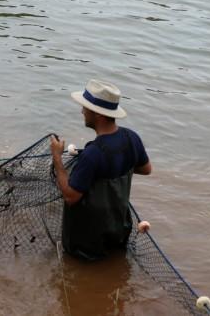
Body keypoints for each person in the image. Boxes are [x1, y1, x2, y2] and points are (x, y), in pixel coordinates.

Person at [50, 79, 152, 261]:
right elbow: (146, 169)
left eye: (85, 108)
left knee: (79, 272)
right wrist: (116, 167)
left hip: (87, 242)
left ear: (98, 114)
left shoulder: (93, 154)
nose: (82, 111)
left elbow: (70, 197)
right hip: (119, 230)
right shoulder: (131, 137)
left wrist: (57, 157)